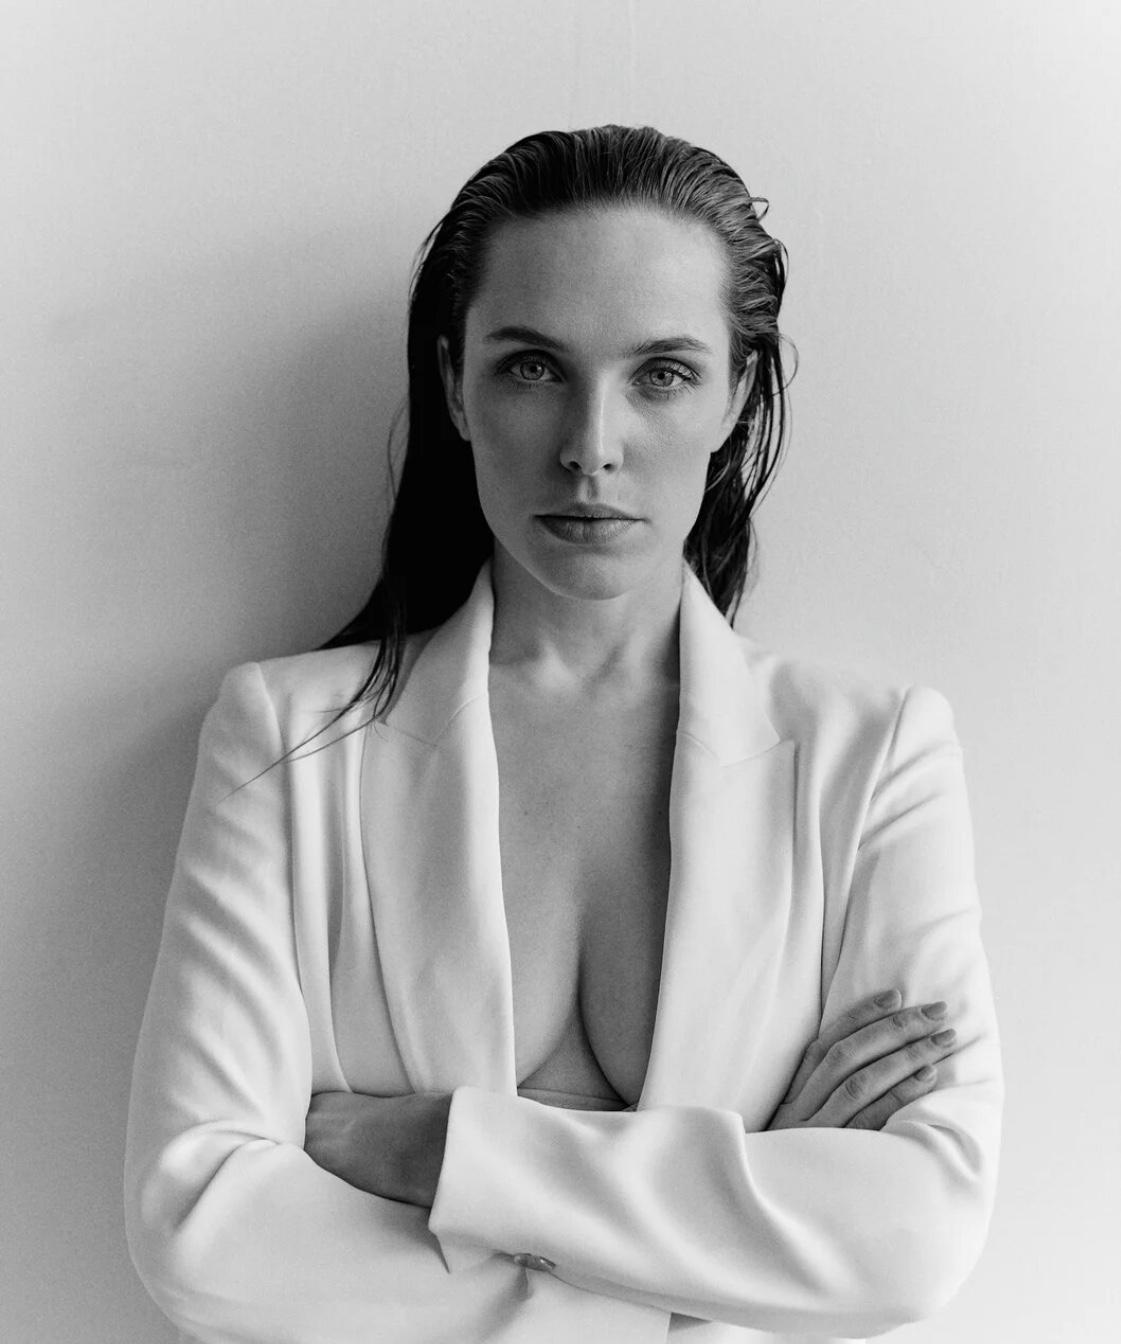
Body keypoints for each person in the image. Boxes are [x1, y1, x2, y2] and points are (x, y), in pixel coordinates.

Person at [124, 125, 1002, 1344]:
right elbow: (200, 1235)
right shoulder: (284, 742)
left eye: (661, 373)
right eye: (533, 367)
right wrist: (733, 1216)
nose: (591, 444)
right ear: (455, 385)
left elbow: (911, 1237)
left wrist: (451, 1155)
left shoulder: (874, 758)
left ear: (738, 394)